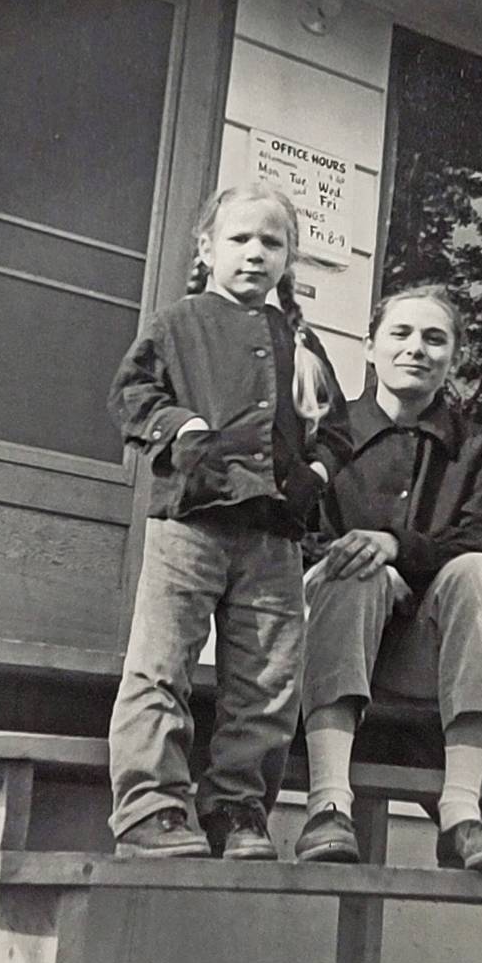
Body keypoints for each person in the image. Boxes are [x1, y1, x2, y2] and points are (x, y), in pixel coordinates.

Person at [106, 183, 351, 861]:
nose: (254, 253)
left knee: (266, 681)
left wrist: (317, 472)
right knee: (162, 667)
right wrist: (180, 427)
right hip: (191, 524)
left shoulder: (300, 341)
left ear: (287, 259)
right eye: (240, 238)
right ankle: (150, 808)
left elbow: (336, 429)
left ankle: (237, 809)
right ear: (207, 248)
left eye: (271, 242)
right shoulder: (177, 324)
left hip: (274, 536)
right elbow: (131, 393)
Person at [294, 284, 482, 874]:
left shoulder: (479, 448)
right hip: (327, 639)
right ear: (370, 347)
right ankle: (327, 806)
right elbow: (290, 533)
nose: (416, 348)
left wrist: (401, 553)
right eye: (400, 333)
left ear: (453, 357)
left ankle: (463, 812)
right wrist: (374, 568)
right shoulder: (320, 435)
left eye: (434, 338)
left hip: (427, 657)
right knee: (354, 568)